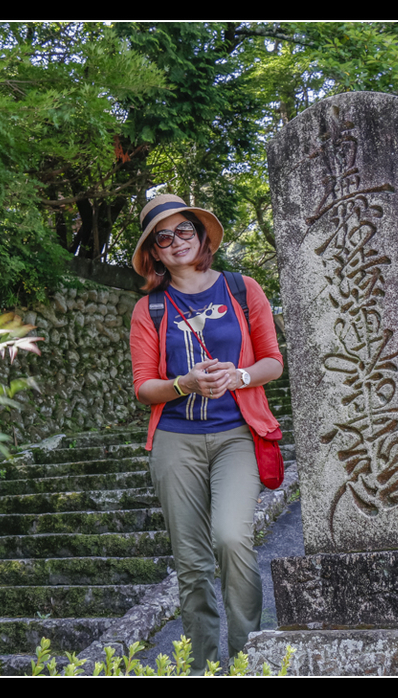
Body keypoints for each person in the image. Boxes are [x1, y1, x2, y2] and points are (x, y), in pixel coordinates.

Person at [128, 194, 284, 672]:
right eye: (163, 237)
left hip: (237, 431)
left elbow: (272, 362)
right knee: (192, 562)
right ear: (154, 251)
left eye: (184, 231)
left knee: (232, 538)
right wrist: (184, 383)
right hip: (175, 440)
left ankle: (247, 657)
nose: (176, 242)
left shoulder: (241, 288)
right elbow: (143, 388)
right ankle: (202, 665)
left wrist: (236, 377)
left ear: (201, 236)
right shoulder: (149, 309)